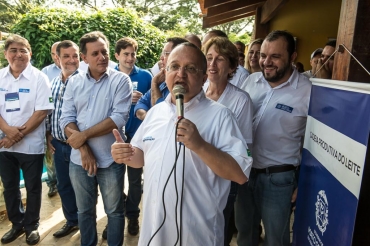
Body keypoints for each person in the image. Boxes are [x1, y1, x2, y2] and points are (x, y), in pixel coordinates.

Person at [111, 42, 252, 245]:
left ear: (204, 77)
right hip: (155, 230)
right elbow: (140, 158)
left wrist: (200, 145)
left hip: (197, 233)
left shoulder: (221, 116)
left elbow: (240, 174)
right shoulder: (155, 113)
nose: (181, 74)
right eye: (174, 66)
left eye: (191, 69)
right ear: (165, 71)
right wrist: (124, 153)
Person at [237, 30, 312, 246]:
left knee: (276, 240)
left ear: (293, 57)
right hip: (244, 173)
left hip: (279, 181)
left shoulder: (308, 92)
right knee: (245, 235)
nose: (266, 62)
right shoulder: (251, 81)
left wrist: (303, 182)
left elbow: (313, 143)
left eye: (275, 57)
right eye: (263, 55)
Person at [59, 31, 132, 246]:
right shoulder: (74, 82)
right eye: (95, 53)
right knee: (84, 211)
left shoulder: (121, 80)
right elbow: (66, 119)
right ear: (84, 58)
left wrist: (83, 135)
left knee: (115, 211)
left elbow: (118, 118)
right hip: (79, 160)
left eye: (104, 52)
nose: (102, 57)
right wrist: (84, 149)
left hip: (111, 159)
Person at [0, 34, 54, 245]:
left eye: (23, 50)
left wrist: (15, 136)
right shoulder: (0, 77)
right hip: (5, 145)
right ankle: (16, 224)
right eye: (13, 50)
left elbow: (41, 112)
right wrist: (8, 133)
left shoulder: (39, 78)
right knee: (10, 186)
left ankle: (31, 226)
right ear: (6, 54)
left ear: (30, 54)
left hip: (30, 145)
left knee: (33, 187)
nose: (18, 54)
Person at [202, 37, 253, 246]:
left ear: (232, 66)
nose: (212, 65)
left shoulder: (240, 99)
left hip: (222, 177)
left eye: (220, 59)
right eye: (209, 58)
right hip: (194, 172)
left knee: (216, 229)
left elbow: (244, 147)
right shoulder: (197, 91)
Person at [113, 37, 152, 236]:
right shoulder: (110, 76)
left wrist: (143, 101)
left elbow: (156, 105)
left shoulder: (145, 76)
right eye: (126, 54)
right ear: (117, 55)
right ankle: (116, 218)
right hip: (115, 137)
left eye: (133, 54)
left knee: (135, 181)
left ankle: (133, 215)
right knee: (113, 181)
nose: (130, 58)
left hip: (138, 137)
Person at [47, 40, 80, 238]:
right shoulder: (54, 82)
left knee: (85, 188)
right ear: (57, 58)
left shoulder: (85, 81)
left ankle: (87, 223)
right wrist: (49, 135)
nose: (71, 60)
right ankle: (72, 221)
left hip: (79, 146)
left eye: (75, 55)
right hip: (59, 146)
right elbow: (51, 112)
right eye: (66, 56)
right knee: (64, 186)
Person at [134, 37, 188, 121]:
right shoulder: (162, 80)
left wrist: (154, 84)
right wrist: (148, 118)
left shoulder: (182, 84)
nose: (161, 57)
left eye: (166, 53)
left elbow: (163, 114)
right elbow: (140, 104)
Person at [41, 41, 61, 198]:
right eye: (54, 54)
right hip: (51, 123)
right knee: (51, 159)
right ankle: (52, 184)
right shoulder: (46, 72)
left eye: (58, 53)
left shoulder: (80, 72)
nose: (57, 57)